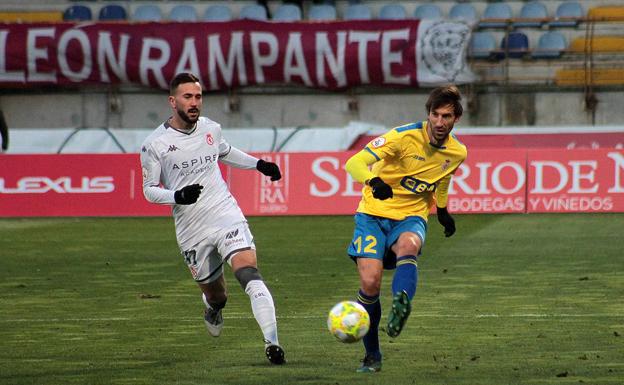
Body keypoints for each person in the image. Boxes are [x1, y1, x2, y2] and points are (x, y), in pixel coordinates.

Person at [140, 72, 285, 365]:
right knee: (218, 295)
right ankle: (213, 307)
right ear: (172, 101)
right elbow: (149, 190)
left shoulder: (211, 129)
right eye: (188, 97)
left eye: (198, 97)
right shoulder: (154, 144)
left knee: (249, 274)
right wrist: (177, 196)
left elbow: (224, 152)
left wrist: (259, 165)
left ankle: (272, 344)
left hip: (224, 213)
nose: (195, 103)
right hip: (191, 228)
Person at [344, 85, 467, 373]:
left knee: (409, 245)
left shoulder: (458, 152)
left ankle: (402, 303)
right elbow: (355, 162)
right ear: (428, 114)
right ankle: (372, 354)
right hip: (372, 215)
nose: (439, 122)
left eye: (446, 116)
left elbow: (443, 178)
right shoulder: (401, 137)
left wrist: (443, 210)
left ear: (456, 119)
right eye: (435, 115)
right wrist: (375, 183)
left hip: (411, 216)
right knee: (370, 284)